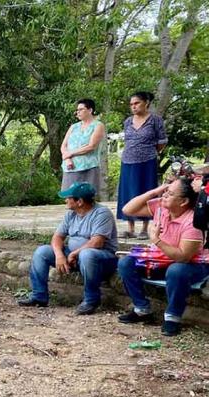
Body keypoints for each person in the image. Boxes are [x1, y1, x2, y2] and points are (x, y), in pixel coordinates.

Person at [117, 178, 209, 336]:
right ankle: (142, 309)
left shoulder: (192, 221)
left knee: (176, 270)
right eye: (166, 191)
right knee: (126, 263)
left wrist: (156, 240)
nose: (165, 195)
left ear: (183, 201)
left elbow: (183, 257)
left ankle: (172, 317)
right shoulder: (161, 207)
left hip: (190, 265)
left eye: (170, 193)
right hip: (161, 259)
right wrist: (155, 191)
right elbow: (127, 209)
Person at [18, 182, 118, 315]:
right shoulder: (71, 214)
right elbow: (57, 237)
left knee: (87, 254)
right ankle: (39, 296)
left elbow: (97, 242)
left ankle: (91, 300)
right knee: (42, 252)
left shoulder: (102, 213)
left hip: (101, 258)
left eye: (68, 198)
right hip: (74, 256)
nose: (65, 200)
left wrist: (76, 253)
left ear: (80, 201)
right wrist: (59, 255)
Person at [117, 91, 168, 239]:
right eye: (131, 104)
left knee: (146, 192)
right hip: (127, 161)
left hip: (147, 162)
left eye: (137, 103)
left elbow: (162, 141)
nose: (133, 106)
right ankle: (130, 228)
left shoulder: (155, 120)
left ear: (146, 103)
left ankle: (145, 228)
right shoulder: (127, 121)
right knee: (128, 193)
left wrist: (149, 152)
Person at [60, 98, 106, 192]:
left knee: (86, 198)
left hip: (88, 167)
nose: (78, 112)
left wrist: (70, 153)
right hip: (70, 167)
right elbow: (63, 146)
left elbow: (91, 146)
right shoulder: (74, 126)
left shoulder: (98, 125)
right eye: (77, 110)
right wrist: (68, 159)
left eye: (81, 109)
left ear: (90, 110)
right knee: (70, 197)